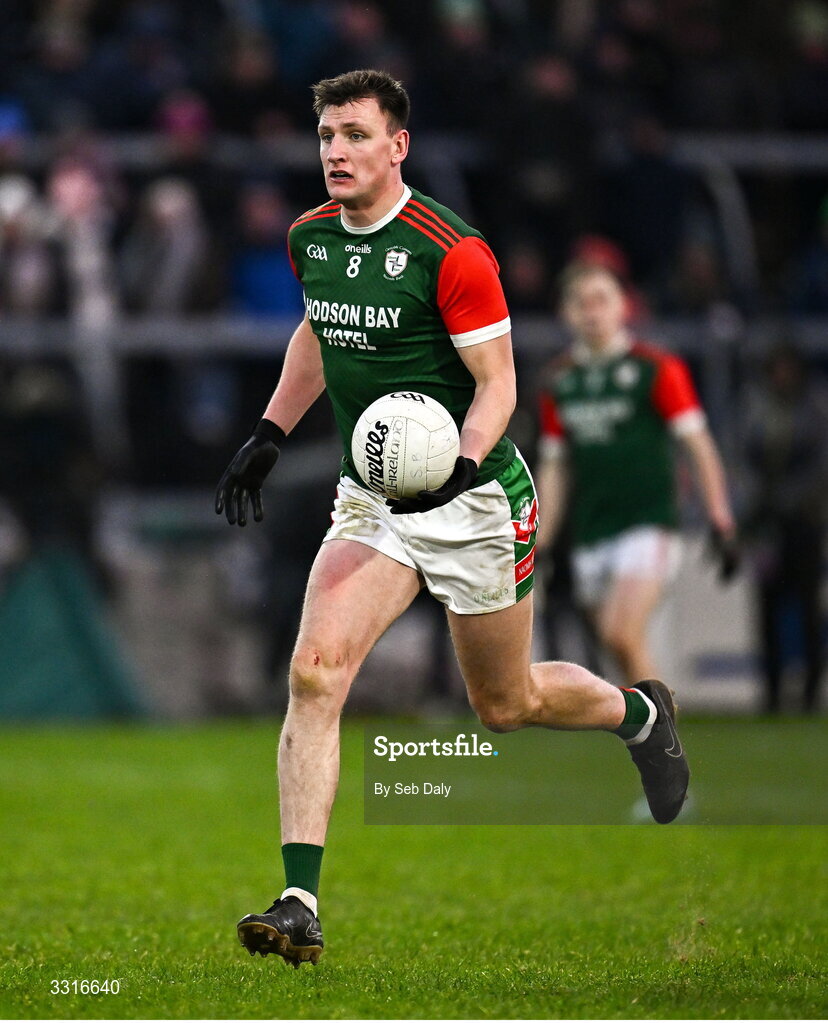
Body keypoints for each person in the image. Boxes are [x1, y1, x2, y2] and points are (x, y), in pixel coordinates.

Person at [215, 69, 690, 969]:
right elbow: (321, 331)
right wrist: (270, 430)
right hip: (374, 498)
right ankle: (300, 899)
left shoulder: (452, 250)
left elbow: (499, 384)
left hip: (473, 499)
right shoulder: (311, 239)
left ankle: (639, 715)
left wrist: (461, 468)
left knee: (505, 705)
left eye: (354, 135)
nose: (335, 153)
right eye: (325, 136)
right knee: (315, 674)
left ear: (398, 145)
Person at [535, 263, 738, 690]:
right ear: (565, 314)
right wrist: (543, 541)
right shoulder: (560, 381)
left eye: (602, 300)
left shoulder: (655, 368)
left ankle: (665, 742)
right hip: (592, 529)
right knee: (618, 648)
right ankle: (652, 733)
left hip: (648, 522)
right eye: (580, 303)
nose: (592, 312)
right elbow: (556, 468)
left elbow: (698, 444)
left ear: (623, 307)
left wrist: (721, 518)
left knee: (619, 633)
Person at [741, 343, 828, 713]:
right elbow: (740, 457)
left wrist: (789, 499)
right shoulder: (754, 406)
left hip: (805, 522)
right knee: (766, 607)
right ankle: (772, 692)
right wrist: (759, 501)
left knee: (808, 607)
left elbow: (821, 465)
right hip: (765, 524)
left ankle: (809, 692)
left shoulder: (815, 408)